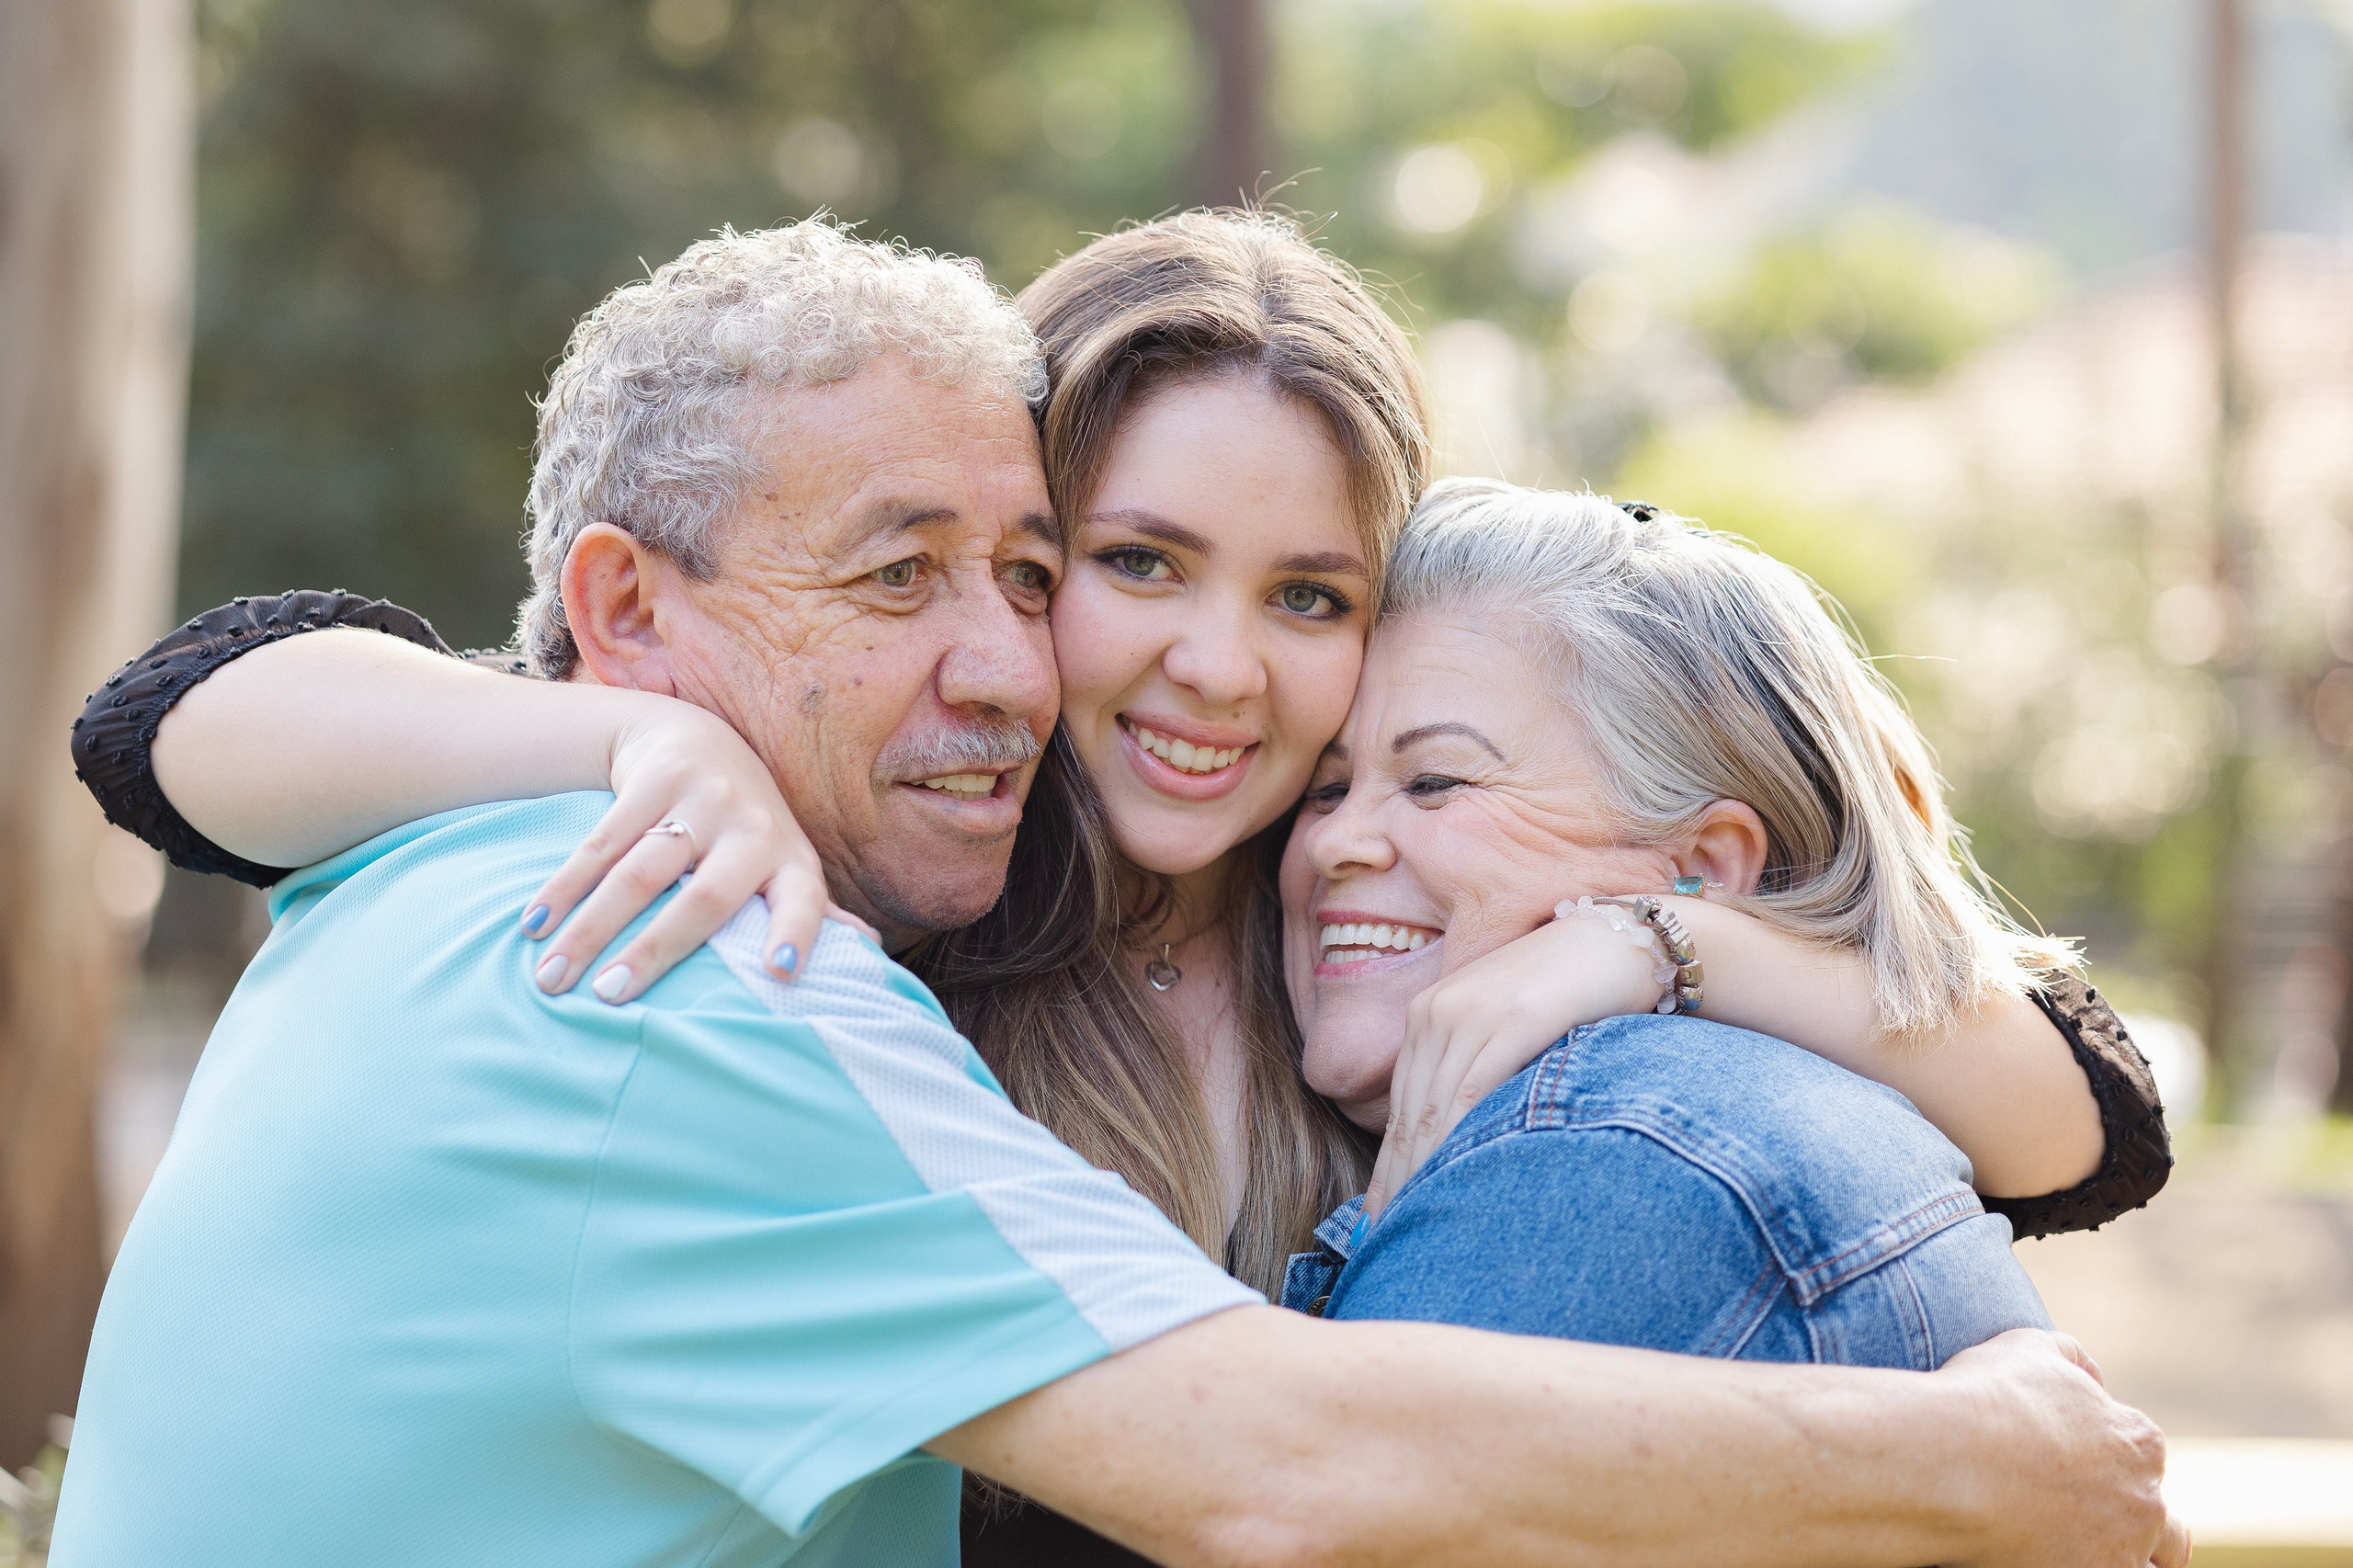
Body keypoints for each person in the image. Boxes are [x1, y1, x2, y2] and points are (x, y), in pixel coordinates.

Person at [60, 219, 2183, 1566]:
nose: (1213, 667)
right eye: (1120, 565)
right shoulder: (792, 914)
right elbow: (171, 718)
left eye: (1312, 596)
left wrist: (1664, 938)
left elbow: (2077, 1115)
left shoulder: (1362, 933)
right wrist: (631, 733)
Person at [1276, 479, 2081, 1365]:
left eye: (1436, 782)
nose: (1334, 842)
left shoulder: (1594, 1159)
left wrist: (1657, 939)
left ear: (1701, 866)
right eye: (1324, 788)